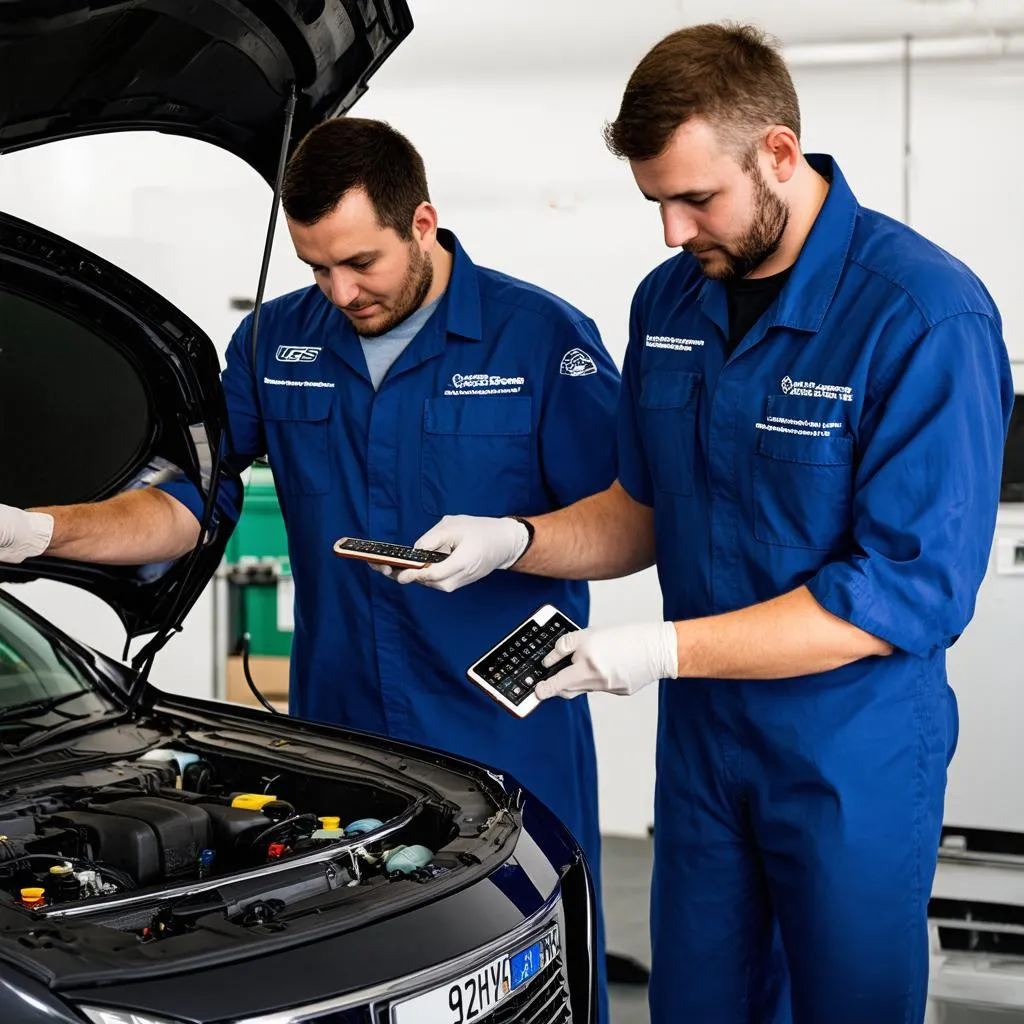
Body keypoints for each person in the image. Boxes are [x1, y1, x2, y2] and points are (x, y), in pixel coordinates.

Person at [381, 24, 1015, 1024]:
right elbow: (641, 510)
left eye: (695, 198)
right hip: (705, 745)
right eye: (655, 202)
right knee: (698, 1003)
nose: (673, 232)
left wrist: (656, 648)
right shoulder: (671, 302)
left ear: (775, 152)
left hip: (851, 743)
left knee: (848, 1004)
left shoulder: (922, 314)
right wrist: (517, 537)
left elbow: (904, 595)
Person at [0, 118, 617, 1020]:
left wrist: (515, 541)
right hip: (339, 731)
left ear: (422, 223)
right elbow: (181, 509)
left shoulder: (541, 339)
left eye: (360, 263)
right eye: (315, 267)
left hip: (506, 727)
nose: (340, 291)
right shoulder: (274, 344)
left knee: (526, 977)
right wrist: (42, 529)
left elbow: (628, 526)